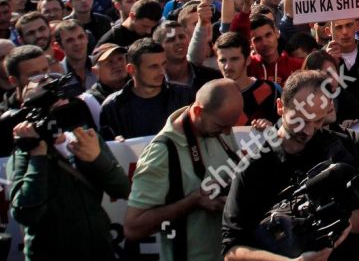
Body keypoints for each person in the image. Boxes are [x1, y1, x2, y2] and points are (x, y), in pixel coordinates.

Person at [222, 70, 359, 260]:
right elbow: (231, 251)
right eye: (300, 120)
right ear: (280, 107)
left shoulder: (343, 147)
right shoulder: (254, 168)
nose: (308, 130)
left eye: (318, 121)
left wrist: (333, 220)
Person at [124, 80, 244, 261]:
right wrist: (193, 202)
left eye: (230, 125)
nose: (227, 132)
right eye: (221, 126)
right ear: (198, 111)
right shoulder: (162, 152)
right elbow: (133, 228)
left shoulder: (219, 127)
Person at [8, 97, 131, 259]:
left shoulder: (86, 139)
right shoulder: (24, 154)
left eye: (61, 100)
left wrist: (98, 159)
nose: (58, 108)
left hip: (101, 250)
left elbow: (124, 190)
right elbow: (26, 214)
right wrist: (38, 157)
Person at [100, 38, 195, 139]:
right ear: (132, 69)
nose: (162, 71)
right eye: (154, 67)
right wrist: (116, 144)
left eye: (163, 64)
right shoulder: (113, 107)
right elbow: (105, 144)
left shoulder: (184, 96)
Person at [213, 32, 280, 127]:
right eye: (223, 60)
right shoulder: (211, 95)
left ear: (248, 60)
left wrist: (271, 128)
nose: (227, 66)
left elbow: (286, 127)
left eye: (234, 59)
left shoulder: (270, 90)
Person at [80, 43, 130, 129]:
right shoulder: (90, 100)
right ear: (95, 71)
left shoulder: (138, 89)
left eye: (120, 59)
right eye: (110, 62)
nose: (117, 65)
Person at [53, 19, 97, 96]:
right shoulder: (56, 77)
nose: (77, 43)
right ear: (59, 46)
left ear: (87, 38)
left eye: (80, 37)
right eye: (70, 40)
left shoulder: (100, 65)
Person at [97, 0, 163, 48]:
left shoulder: (157, 33)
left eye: (152, 27)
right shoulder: (111, 39)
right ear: (132, 16)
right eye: (145, 26)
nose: (149, 31)